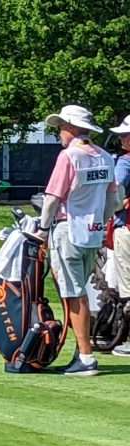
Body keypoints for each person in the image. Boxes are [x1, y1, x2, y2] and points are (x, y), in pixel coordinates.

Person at [36, 105, 119, 376]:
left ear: (71, 128)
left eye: (61, 126)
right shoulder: (105, 157)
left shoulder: (68, 156)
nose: (59, 131)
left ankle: (85, 356)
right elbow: (113, 200)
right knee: (78, 291)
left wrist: (42, 229)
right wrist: (100, 221)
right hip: (92, 233)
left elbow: (52, 199)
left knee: (74, 295)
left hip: (68, 230)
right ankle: (81, 350)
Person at [108, 116, 130, 356]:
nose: (122, 138)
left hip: (128, 227)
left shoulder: (125, 163)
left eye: (126, 135)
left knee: (129, 287)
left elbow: (116, 192)